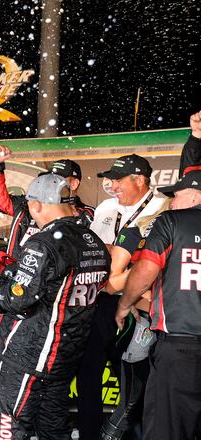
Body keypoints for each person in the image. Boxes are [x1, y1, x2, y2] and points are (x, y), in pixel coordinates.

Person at [0, 174, 111, 439]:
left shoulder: (44, 242)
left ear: (37, 205)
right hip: (63, 357)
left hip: (28, 356)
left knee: (9, 429)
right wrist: (14, 271)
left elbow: (16, 299)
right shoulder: (94, 242)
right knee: (53, 429)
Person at [77, 153, 164, 439]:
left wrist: (131, 279)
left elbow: (152, 266)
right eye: (110, 180)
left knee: (137, 381)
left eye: (118, 180)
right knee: (89, 373)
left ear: (139, 180)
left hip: (140, 305)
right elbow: (95, 255)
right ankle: (90, 434)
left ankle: (133, 433)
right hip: (101, 301)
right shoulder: (105, 208)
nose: (112, 186)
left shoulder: (164, 206)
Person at [115, 170, 201, 440]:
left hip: (179, 346)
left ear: (196, 195)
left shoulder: (172, 222)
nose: (172, 202)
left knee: (166, 428)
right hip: (183, 344)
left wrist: (125, 304)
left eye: (176, 196)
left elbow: (145, 271)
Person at [100, 198, 170, 440]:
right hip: (143, 329)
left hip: (173, 332)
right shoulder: (136, 231)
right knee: (131, 402)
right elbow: (109, 285)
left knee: (156, 403)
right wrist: (140, 278)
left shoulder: (183, 234)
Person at [0, 145, 94, 259]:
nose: (51, 183)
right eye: (49, 179)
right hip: (15, 274)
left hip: (53, 275)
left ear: (74, 184)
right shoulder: (28, 204)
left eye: (57, 180)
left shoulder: (87, 215)